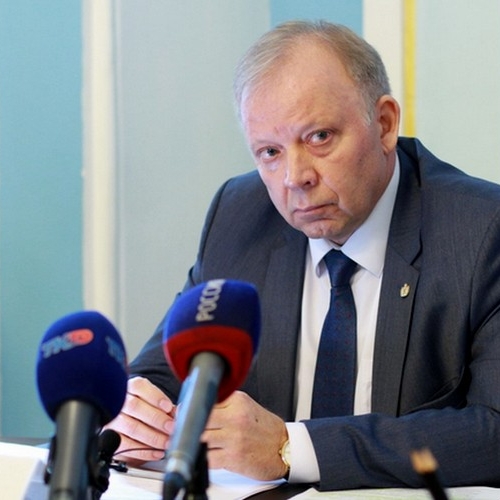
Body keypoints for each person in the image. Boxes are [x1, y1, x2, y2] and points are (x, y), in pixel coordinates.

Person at [107, 20, 500, 491]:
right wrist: (132, 412)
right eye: (269, 152)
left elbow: (493, 431)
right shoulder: (239, 216)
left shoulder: (481, 230)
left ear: (384, 124)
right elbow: (163, 375)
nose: (295, 177)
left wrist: (289, 448)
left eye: (319, 137)